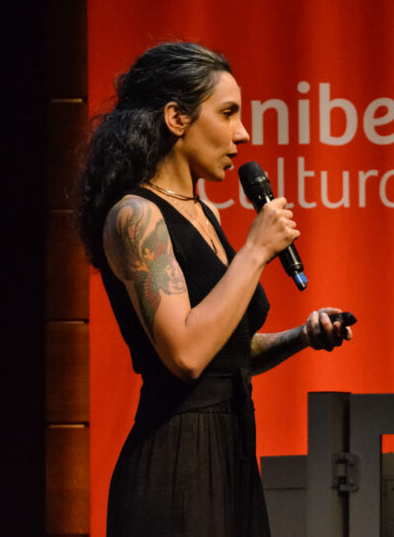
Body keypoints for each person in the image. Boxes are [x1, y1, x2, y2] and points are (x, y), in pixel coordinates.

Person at [77, 42, 353, 536]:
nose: (242, 134)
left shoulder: (206, 213)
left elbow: (229, 350)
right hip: (177, 462)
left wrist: (302, 336)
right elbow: (186, 355)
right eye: (227, 113)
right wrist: (253, 252)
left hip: (233, 454)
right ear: (176, 118)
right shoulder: (136, 215)